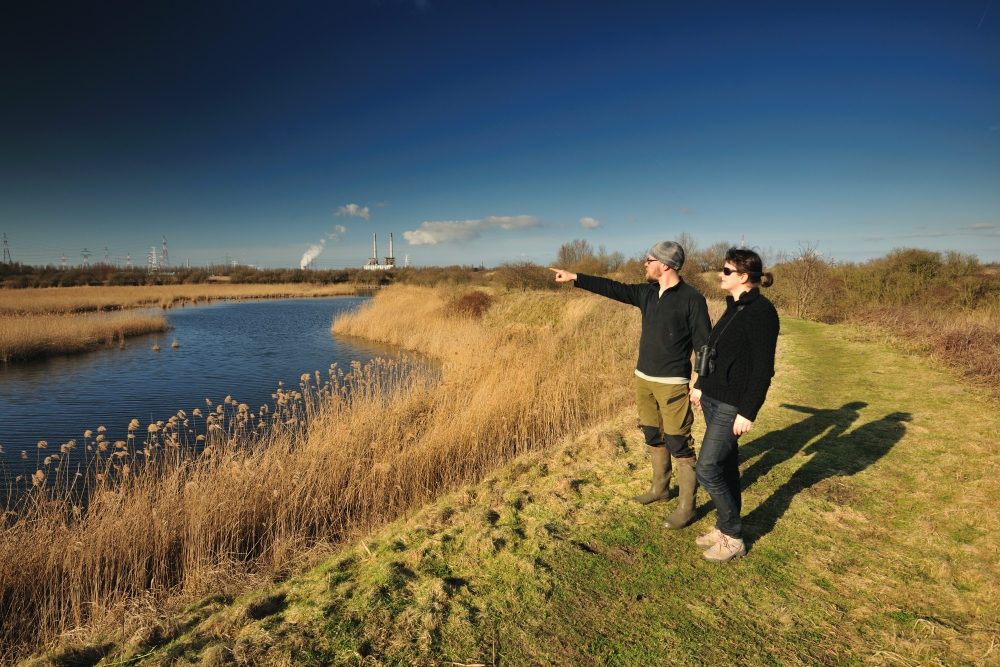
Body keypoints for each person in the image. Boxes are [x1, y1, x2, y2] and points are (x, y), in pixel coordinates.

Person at [550, 241, 711, 529]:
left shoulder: (691, 298)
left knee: (679, 442)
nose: (644, 264)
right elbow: (613, 288)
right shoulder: (646, 292)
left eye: (648, 260)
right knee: (653, 435)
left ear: (665, 264)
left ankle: (688, 507)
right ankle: (660, 490)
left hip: (673, 382)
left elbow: (704, 344)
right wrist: (575, 277)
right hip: (643, 378)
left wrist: (700, 382)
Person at [688, 247, 779, 563]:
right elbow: (714, 351)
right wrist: (700, 386)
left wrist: (748, 411)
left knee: (707, 468)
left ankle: (734, 536)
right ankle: (724, 528)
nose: (720, 275)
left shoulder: (761, 313)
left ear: (743, 277)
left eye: (726, 270)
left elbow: (762, 368)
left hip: (732, 404)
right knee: (726, 467)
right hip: (713, 397)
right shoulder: (735, 306)